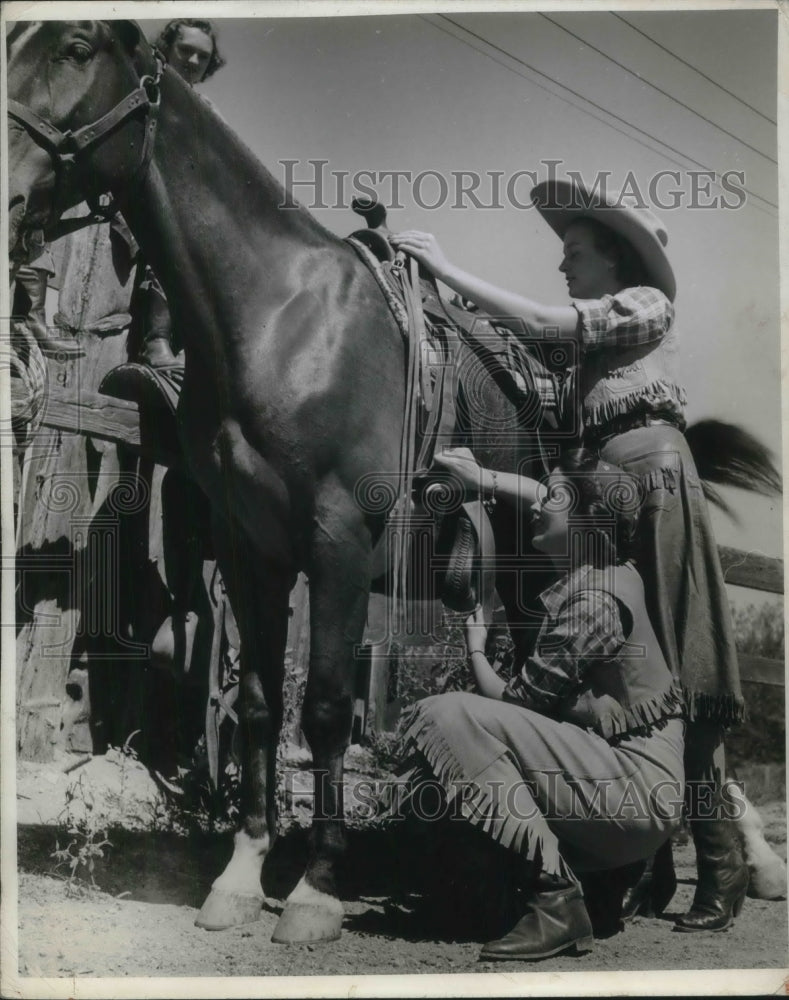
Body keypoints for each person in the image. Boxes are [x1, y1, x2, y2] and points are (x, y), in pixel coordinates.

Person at [390, 180, 748, 933]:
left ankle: (721, 862)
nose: (561, 266)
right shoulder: (579, 354)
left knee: (681, 665)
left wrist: (446, 267)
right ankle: (631, 861)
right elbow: (525, 350)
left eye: (573, 253)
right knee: (617, 669)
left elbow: (548, 319)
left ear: (617, 260)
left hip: (653, 482)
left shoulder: (645, 305)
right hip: (606, 486)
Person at [399, 450, 686, 961]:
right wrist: (483, 478)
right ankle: (580, 886)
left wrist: (476, 644)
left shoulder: (594, 604)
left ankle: (554, 896)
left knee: (446, 715)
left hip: (635, 796)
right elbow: (567, 500)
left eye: (551, 499)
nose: (536, 505)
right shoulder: (613, 568)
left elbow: (517, 704)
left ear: (586, 524)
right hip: (629, 788)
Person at [132, 19, 226, 367]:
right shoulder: (141, 88)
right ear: (167, 47)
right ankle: (155, 339)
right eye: (185, 50)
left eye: (203, 56)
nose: (192, 61)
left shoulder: (207, 111)